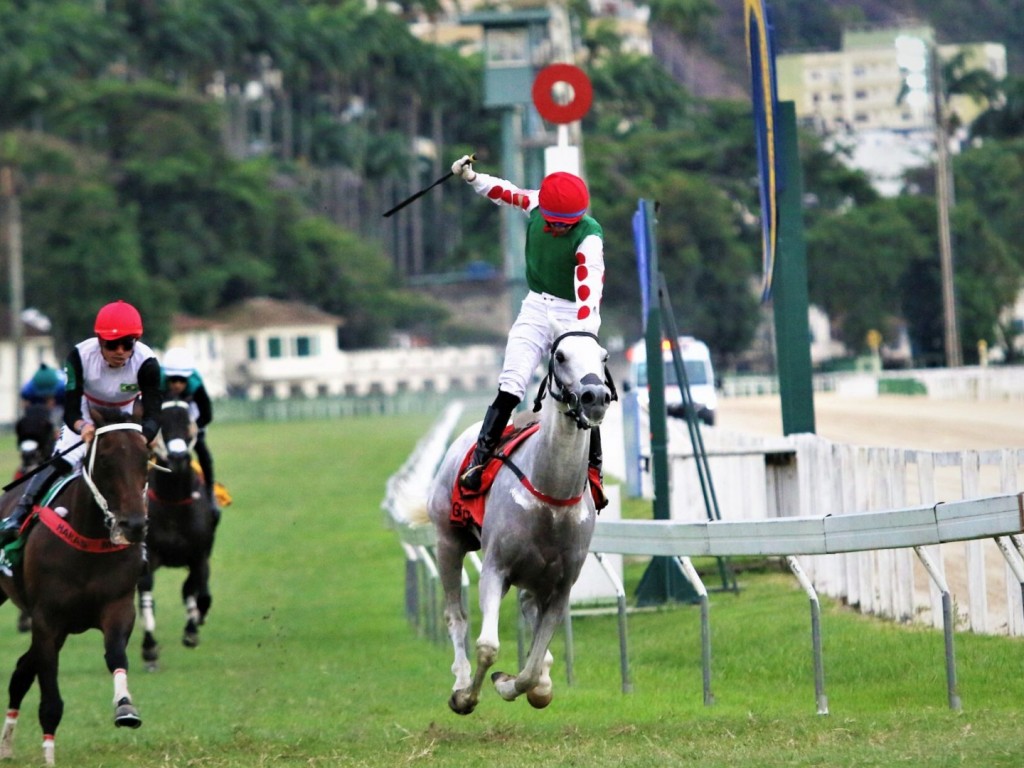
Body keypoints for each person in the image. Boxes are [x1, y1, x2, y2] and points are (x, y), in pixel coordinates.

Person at [450, 154, 608, 507]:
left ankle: (594, 471)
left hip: (575, 315)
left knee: (588, 387)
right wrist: (472, 177)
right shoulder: (537, 203)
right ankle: (480, 461)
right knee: (511, 383)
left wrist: (582, 332)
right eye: (557, 224)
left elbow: (589, 289)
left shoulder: (589, 238)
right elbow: (505, 193)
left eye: (568, 225)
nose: (561, 230)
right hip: (536, 307)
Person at [0, 300, 162, 546]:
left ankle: (143, 533)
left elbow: (153, 412)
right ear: (99, 341)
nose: (120, 351)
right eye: (112, 344)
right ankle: (20, 513)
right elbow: (71, 407)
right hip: (87, 411)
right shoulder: (78, 357)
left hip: (125, 416)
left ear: (136, 342)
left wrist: (144, 436)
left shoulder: (147, 363)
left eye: (127, 344)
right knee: (62, 461)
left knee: (132, 467)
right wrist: (82, 428)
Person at [161, 346, 221, 520]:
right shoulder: (157, 382)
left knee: (204, 453)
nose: (177, 385)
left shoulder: (196, 384)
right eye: (173, 380)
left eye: (181, 380)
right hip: (165, 420)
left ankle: (210, 493)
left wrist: (195, 426)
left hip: (191, 418)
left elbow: (207, 414)